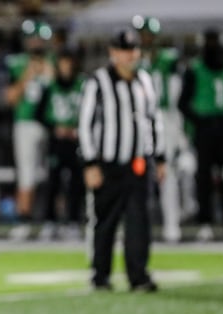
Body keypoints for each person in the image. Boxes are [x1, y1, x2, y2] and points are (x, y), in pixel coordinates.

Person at [78, 28, 165, 292]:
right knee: (105, 222)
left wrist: (160, 157)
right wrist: (90, 163)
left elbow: (155, 121)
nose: (129, 56)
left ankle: (138, 276)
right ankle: (100, 275)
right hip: (107, 164)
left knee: (140, 221)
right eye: (124, 50)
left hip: (139, 163)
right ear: (113, 53)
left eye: (133, 50)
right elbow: (84, 123)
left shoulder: (146, 81)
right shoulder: (98, 81)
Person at [178, 29, 223, 241]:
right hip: (205, 129)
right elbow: (183, 102)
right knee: (204, 179)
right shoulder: (195, 68)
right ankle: (205, 222)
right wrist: (198, 120)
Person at [133, 15, 196, 243]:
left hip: (164, 117)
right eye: (143, 34)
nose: (146, 38)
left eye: (149, 34)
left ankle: (172, 224)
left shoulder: (168, 59)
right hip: (138, 118)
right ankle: (135, 226)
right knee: (133, 173)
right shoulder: (133, 58)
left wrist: (179, 126)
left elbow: (179, 89)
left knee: (167, 171)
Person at [3, 19, 54, 240]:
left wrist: (50, 74)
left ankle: (51, 220)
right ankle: (24, 220)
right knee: (26, 175)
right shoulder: (17, 63)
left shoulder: (53, 62)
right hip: (25, 122)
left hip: (51, 124)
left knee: (52, 174)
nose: (36, 43)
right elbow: (10, 98)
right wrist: (28, 76)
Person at [34, 48, 85, 241]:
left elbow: (91, 111)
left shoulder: (82, 85)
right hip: (56, 142)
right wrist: (55, 127)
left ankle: (73, 221)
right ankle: (50, 221)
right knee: (53, 182)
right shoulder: (50, 87)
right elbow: (39, 113)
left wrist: (78, 129)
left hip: (76, 141)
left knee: (76, 183)